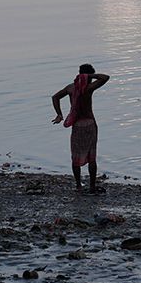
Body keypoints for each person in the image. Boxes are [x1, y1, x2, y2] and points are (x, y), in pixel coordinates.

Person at [52, 64, 111, 193]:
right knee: (92, 158)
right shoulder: (88, 88)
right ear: (87, 76)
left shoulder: (71, 88)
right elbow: (105, 77)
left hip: (77, 126)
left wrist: (59, 114)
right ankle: (92, 187)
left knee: (76, 156)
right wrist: (90, 76)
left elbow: (55, 97)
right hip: (89, 124)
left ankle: (78, 185)